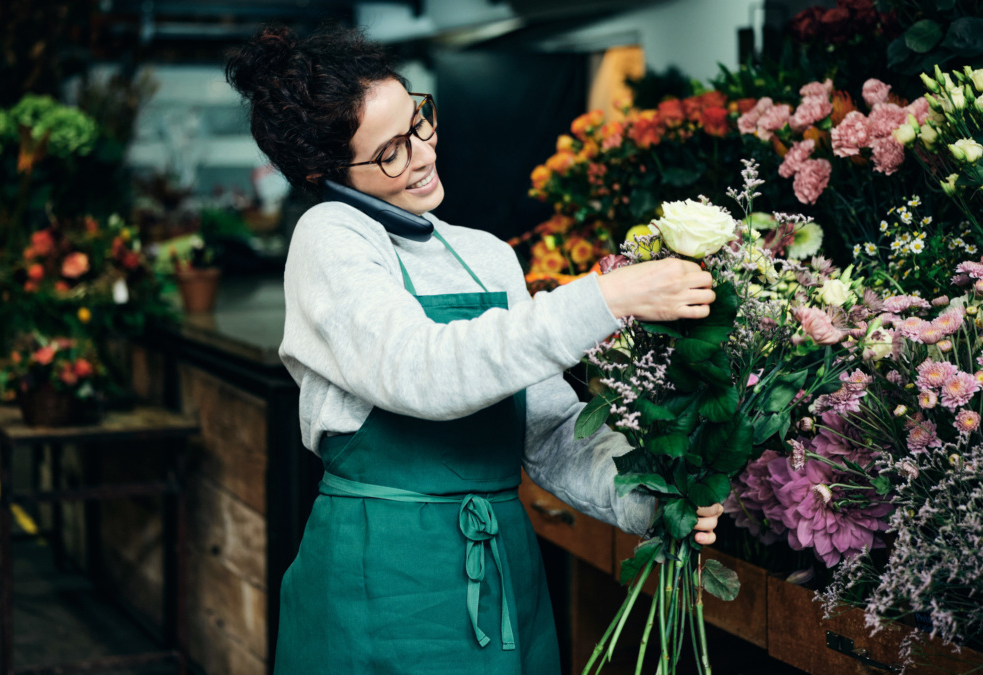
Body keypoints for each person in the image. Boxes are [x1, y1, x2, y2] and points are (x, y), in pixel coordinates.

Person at [226, 24, 724, 675]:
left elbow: (546, 431)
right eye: (390, 152)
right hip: (383, 577)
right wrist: (604, 298)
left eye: (419, 121)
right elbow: (425, 370)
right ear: (325, 171)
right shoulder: (332, 239)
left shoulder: (486, 255)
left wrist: (655, 497)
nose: (424, 154)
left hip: (501, 569)